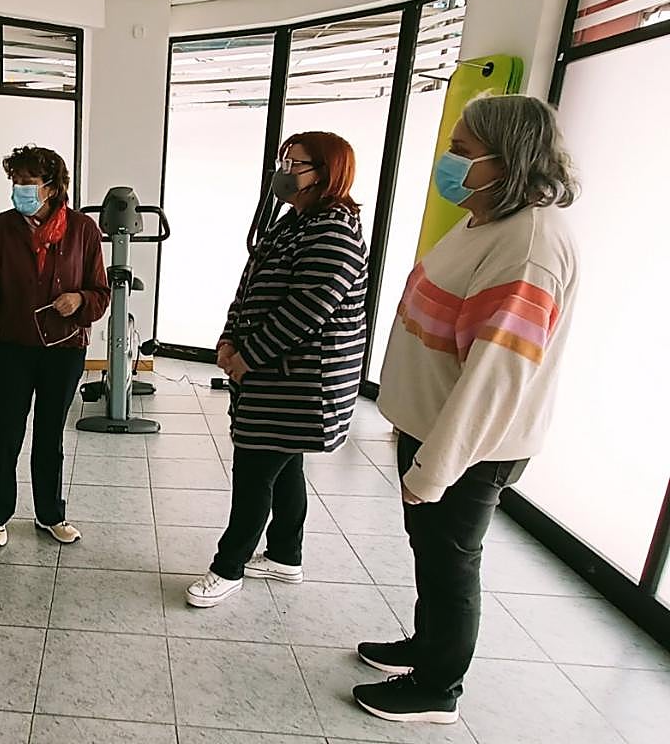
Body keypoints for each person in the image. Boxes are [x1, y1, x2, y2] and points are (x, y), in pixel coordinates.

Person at [353, 94, 580, 724]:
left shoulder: (528, 249)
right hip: (432, 428)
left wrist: (435, 469)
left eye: (462, 151)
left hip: (468, 446)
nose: (449, 162)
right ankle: (426, 646)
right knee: (430, 551)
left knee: (451, 561)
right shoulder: (487, 217)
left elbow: (494, 377)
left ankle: (437, 688)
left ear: (509, 160)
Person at [186, 131, 368, 608]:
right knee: (285, 465)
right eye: (282, 161)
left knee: (255, 469)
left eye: (295, 163)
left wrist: (249, 357)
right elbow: (250, 286)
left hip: (300, 382)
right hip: (273, 374)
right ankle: (286, 556)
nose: (284, 171)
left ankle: (228, 568)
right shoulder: (294, 222)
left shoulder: (334, 230)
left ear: (326, 173)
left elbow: (306, 310)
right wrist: (228, 338)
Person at [0, 145, 109, 548]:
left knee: (50, 436)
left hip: (64, 349)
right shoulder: (1, 228)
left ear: (52, 187)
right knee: (4, 434)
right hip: (12, 347)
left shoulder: (83, 230)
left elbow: (100, 292)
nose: (20, 188)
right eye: (15, 181)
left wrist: (79, 300)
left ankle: (50, 514)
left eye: (28, 182)